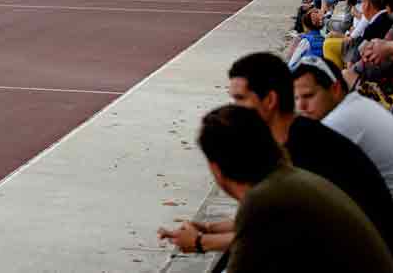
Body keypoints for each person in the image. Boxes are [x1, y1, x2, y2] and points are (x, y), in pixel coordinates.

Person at [169, 52, 393, 256]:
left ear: (269, 100)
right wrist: (209, 228)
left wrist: (201, 241)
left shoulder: (305, 149)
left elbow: (273, 235)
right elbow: (268, 218)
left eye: (240, 99)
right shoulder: (299, 135)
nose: (234, 108)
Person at [158, 104, 393, 271]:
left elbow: (250, 241)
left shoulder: (265, 197)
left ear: (216, 169)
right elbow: (259, 230)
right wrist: (208, 229)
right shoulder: (283, 179)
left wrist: (199, 242)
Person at [292, 56, 393, 193]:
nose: (301, 106)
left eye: (308, 96)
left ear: (335, 89)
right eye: (296, 98)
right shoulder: (355, 104)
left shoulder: (339, 121)